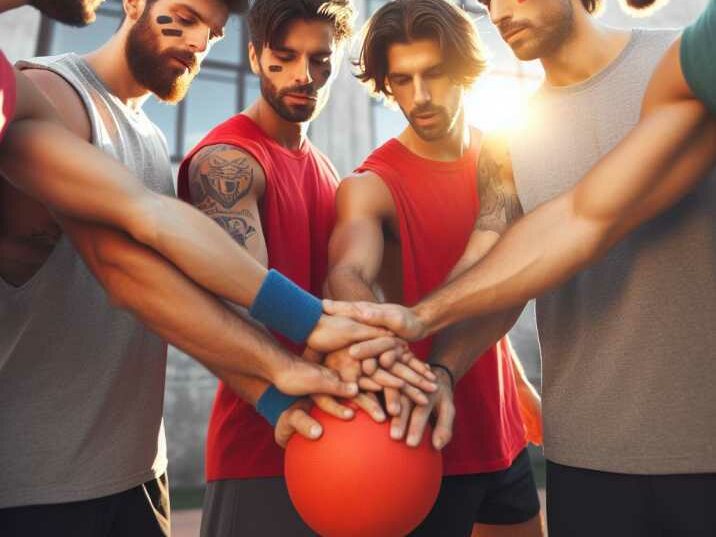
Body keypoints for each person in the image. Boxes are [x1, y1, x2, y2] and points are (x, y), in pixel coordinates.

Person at [0, 1, 405, 535]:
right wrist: (310, 324)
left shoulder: (149, 136)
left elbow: (162, 294)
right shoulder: (52, 93)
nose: (197, 43)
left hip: (137, 470)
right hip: (42, 487)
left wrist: (273, 396)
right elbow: (127, 264)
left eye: (212, 35)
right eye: (184, 16)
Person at [327, 1, 716, 535]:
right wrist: (441, 366)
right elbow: (492, 278)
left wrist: (423, 318)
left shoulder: (685, 65)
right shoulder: (507, 144)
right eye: (490, 1)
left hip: (705, 446)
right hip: (584, 456)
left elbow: (587, 219)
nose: (502, 11)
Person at [176, 1, 434, 535]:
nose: (304, 75)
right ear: (253, 55)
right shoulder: (227, 161)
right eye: (285, 57)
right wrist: (277, 395)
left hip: (346, 446)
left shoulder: (326, 168)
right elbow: (231, 303)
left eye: (320, 59)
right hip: (261, 445)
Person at [324, 1, 542, 535]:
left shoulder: (504, 157)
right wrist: (383, 332)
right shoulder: (369, 184)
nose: (418, 96)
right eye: (402, 79)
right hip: (421, 435)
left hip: (501, 434)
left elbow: (493, 289)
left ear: (464, 70)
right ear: (387, 84)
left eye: (434, 75)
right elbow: (347, 272)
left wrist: (519, 390)